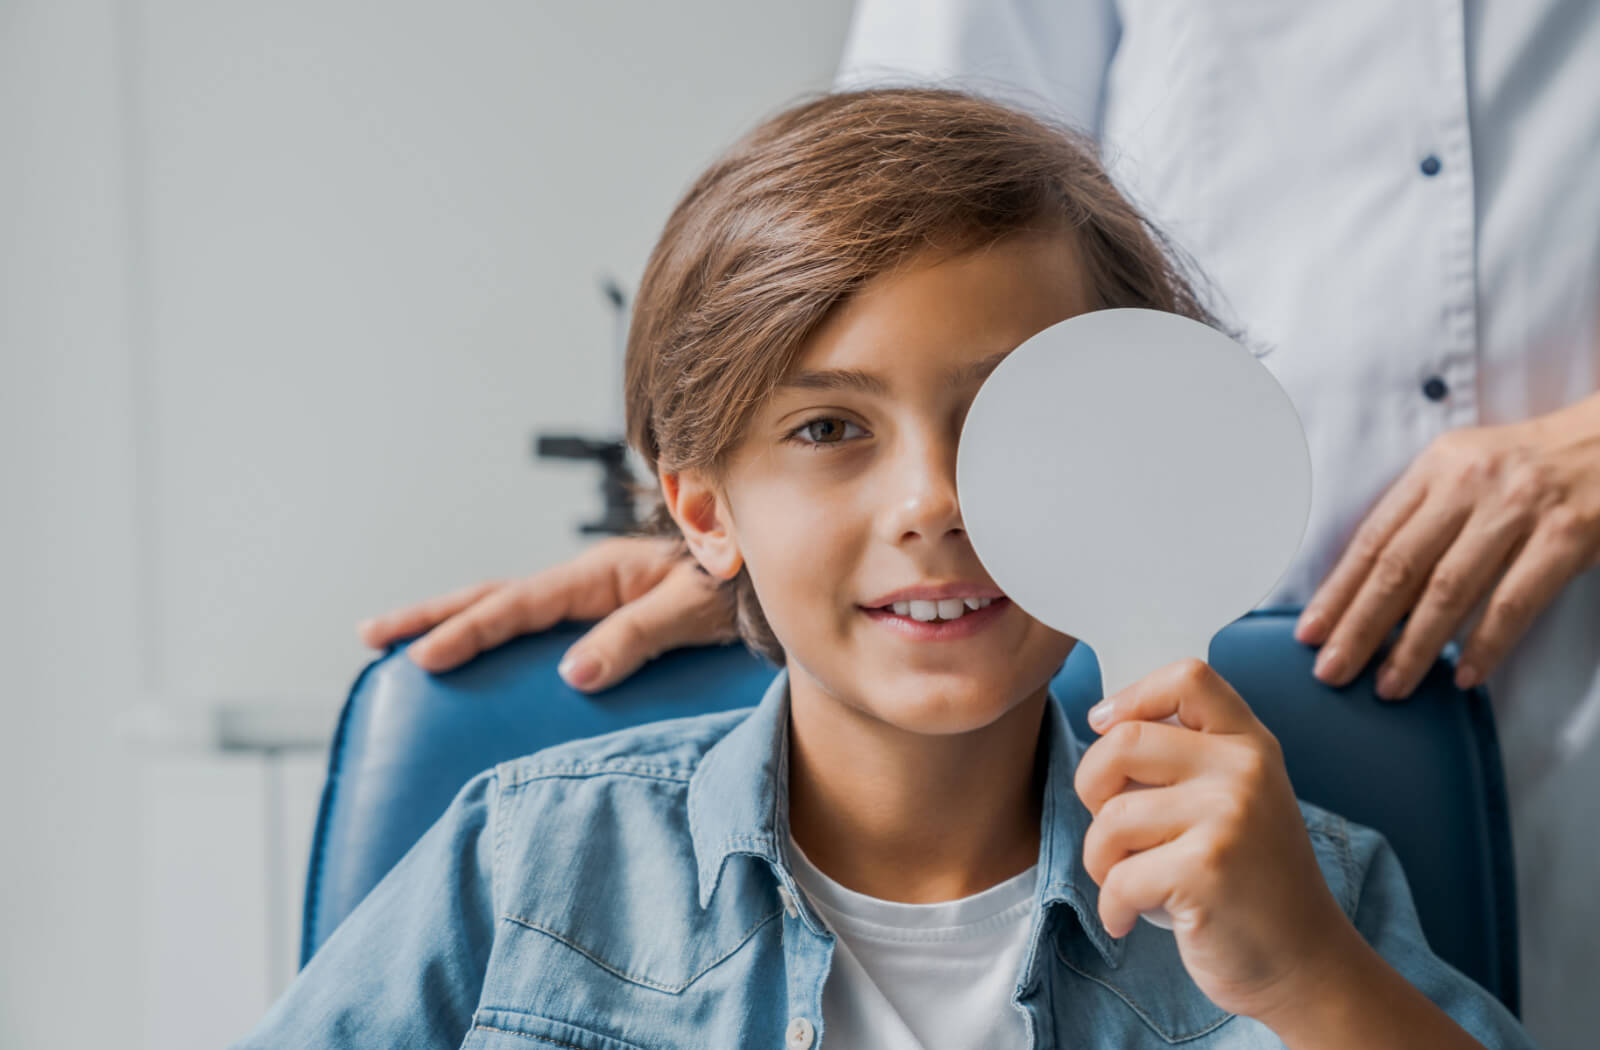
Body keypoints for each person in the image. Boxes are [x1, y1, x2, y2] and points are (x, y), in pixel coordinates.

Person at [363, 5, 1600, 1047]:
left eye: (1008, 419)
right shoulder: (521, 870)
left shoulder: (1305, 897)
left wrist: (1304, 979)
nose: (933, 503)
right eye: (829, 430)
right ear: (703, 508)